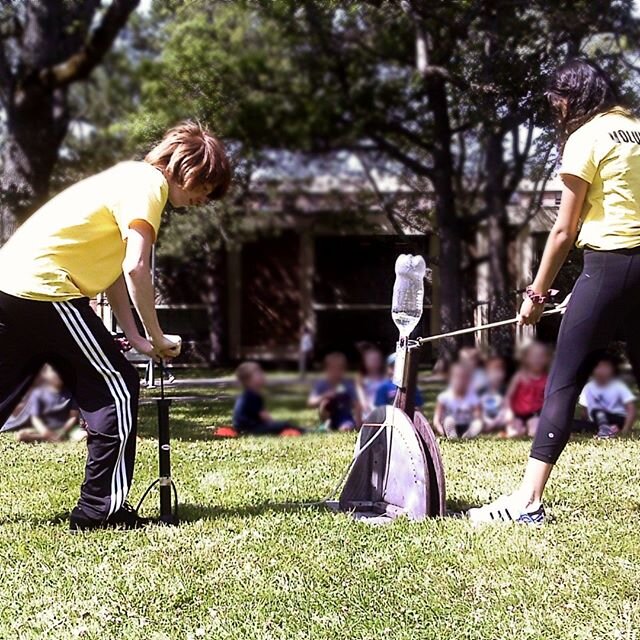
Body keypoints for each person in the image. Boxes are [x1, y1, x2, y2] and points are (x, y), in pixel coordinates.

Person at [0, 121, 231, 530]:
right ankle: (99, 513)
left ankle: (99, 508)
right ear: (190, 169)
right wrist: (159, 336)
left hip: (10, 285)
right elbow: (136, 267)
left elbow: (110, 271)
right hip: (45, 289)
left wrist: (139, 338)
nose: (201, 200)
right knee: (118, 388)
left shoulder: (124, 178)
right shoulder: (149, 186)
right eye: (205, 189)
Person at [470, 59, 640, 525]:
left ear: (571, 97)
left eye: (556, 102)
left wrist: (536, 294)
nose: (556, 111)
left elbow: (564, 229)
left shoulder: (586, 139)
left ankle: (527, 502)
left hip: (609, 267)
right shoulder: (637, 129)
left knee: (564, 382)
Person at [6, 366, 85, 443]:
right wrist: (45, 432)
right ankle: (50, 437)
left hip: (66, 428)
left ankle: (55, 437)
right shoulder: (38, 394)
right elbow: (35, 418)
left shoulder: (70, 394)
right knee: (21, 435)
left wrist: (63, 431)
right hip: (46, 428)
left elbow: (73, 416)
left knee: (83, 434)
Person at [232, 362, 303, 436]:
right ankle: (304, 431)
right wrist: (276, 425)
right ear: (248, 380)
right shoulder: (252, 396)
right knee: (285, 425)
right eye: (259, 374)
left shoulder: (246, 395)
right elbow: (265, 417)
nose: (262, 375)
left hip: (242, 428)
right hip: (250, 429)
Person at [578, 355, 636, 439]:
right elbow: (584, 412)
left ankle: (606, 431)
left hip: (616, 418)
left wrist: (625, 429)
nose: (602, 370)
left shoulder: (618, 386)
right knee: (573, 424)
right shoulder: (588, 387)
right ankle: (609, 428)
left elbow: (631, 409)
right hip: (596, 421)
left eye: (605, 367)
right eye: (598, 366)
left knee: (598, 411)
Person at [504, 342, 551, 438]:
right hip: (517, 415)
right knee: (514, 434)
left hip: (534, 414)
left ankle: (529, 427)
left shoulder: (546, 379)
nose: (537, 359)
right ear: (525, 358)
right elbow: (508, 397)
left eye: (541, 356)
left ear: (546, 359)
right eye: (533, 356)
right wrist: (508, 412)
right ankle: (522, 428)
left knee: (534, 433)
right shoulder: (519, 376)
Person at [308, 352, 361, 431]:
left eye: (339, 368)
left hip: (344, 416)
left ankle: (343, 426)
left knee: (346, 427)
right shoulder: (322, 384)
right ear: (326, 369)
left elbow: (357, 404)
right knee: (325, 402)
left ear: (343, 369)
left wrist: (358, 423)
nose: (336, 372)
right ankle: (326, 424)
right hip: (325, 415)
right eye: (332, 368)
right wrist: (324, 396)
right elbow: (311, 402)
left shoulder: (347, 385)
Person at [433, 363, 483, 440]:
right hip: (450, 425)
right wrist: (441, 431)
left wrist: (476, 420)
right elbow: (436, 420)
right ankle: (452, 437)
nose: (460, 381)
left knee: (478, 424)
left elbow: (478, 417)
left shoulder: (473, 398)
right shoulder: (444, 397)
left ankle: (467, 436)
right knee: (449, 420)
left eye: (463, 378)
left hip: (466, 426)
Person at [480, 356, 510, 434]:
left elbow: (505, 408)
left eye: (500, 371)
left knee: (509, 416)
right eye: (493, 371)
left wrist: (495, 422)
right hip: (485, 419)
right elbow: (479, 409)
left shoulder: (505, 390)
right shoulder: (481, 390)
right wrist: (487, 420)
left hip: (500, 419)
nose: (496, 375)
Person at [355, 343, 386, 416]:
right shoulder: (362, 379)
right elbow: (361, 398)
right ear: (364, 362)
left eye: (377, 359)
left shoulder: (385, 378)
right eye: (371, 360)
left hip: (384, 408)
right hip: (368, 409)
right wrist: (364, 404)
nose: (374, 362)